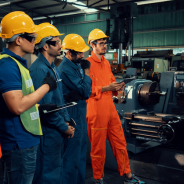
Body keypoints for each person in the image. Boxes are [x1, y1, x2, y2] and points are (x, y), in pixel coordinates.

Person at [0, 11, 57, 184]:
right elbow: (16, 106)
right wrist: (46, 86)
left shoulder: (18, 64)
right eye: (32, 38)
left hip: (25, 140)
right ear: (18, 40)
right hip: (18, 143)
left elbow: (22, 98)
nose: (35, 41)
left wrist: (38, 107)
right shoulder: (8, 65)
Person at [86, 28, 145, 184]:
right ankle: (98, 179)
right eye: (101, 43)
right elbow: (85, 91)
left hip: (110, 109)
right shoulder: (86, 64)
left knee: (120, 143)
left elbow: (111, 82)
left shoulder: (105, 63)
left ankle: (128, 176)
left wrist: (119, 88)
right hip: (96, 110)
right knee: (98, 148)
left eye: (105, 43)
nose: (104, 46)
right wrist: (107, 88)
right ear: (92, 45)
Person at [29, 23, 75, 184]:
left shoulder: (53, 68)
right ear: (45, 46)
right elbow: (44, 110)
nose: (60, 45)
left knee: (56, 173)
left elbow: (59, 99)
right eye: (56, 42)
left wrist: (67, 120)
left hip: (57, 130)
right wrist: (64, 127)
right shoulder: (39, 70)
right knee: (47, 175)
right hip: (48, 132)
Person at [58, 34, 92, 184]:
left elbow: (85, 92)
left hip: (80, 110)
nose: (82, 55)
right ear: (69, 52)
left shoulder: (76, 65)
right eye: (79, 53)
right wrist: (87, 73)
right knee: (72, 155)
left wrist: (83, 89)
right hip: (72, 113)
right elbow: (86, 91)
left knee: (81, 153)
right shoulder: (66, 68)